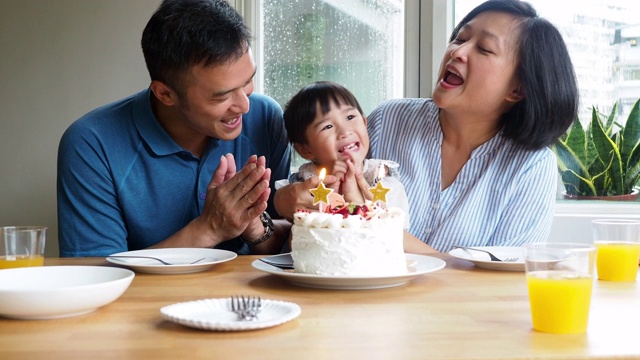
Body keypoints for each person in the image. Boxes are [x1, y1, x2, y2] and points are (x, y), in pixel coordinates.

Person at [274, 0, 578, 253]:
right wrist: (285, 200)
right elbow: (317, 219)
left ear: (517, 89)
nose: (457, 51)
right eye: (460, 37)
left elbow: (501, 281)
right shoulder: (387, 120)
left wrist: (373, 222)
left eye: (484, 49)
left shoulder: (532, 168)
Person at [57, 0, 291, 257]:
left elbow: (293, 238)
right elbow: (96, 276)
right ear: (165, 94)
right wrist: (209, 228)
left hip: (252, 297)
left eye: (248, 81)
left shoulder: (266, 118)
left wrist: (257, 227)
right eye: (221, 97)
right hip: (149, 299)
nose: (244, 106)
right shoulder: (92, 144)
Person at [281, 81, 410, 221]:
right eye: (327, 126)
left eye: (350, 117)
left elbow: (396, 235)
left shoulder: (382, 181)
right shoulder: (305, 185)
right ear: (305, 150)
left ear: (364, 123)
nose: (345, 132)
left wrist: (356, 201)